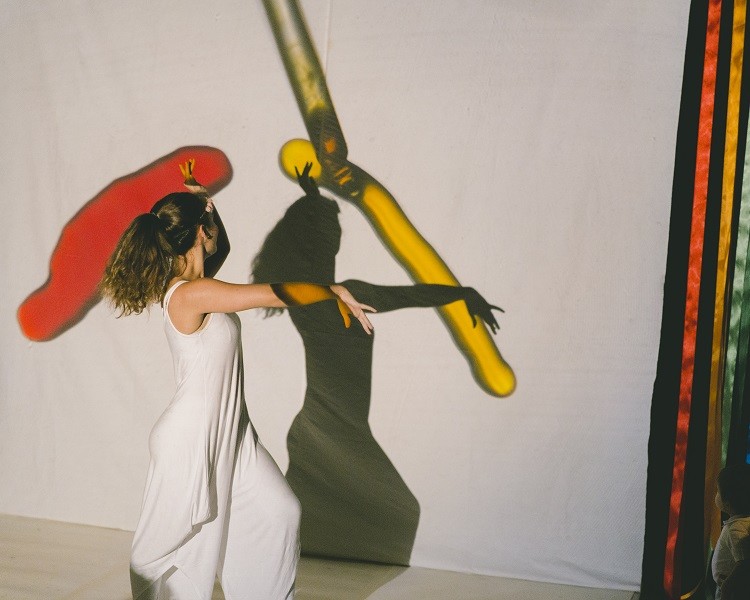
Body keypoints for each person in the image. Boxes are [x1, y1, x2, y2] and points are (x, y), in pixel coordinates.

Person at [99, 159, 374, 600]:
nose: (215, 233)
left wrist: (204, 200)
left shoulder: (199, 282)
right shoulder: (191, 293)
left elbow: (221, 244)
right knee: (167, 550)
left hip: (233, 429)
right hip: (192, 436)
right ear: (199, 233)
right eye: (208, 225)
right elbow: (268, 293)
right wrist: (331, 289)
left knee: (279, 511)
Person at [250, 163, 502, 565]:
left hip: (334, 427)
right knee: (394, 514)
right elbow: (407, 295)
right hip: (326, 429)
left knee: (306, 536)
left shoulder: (338, 293)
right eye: (330, 230)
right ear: (318, 242)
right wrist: (464, 292)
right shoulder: (315, 296)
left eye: (336, 228)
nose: (337, 234)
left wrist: (314, 198)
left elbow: (412, 295)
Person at [712, 463, 750, 600]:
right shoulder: (744, 522)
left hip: (731, 593)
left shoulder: (737, 529)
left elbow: (744, 563)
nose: (716, 495)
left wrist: (727, 586)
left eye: (718, 491)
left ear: (727, 503)